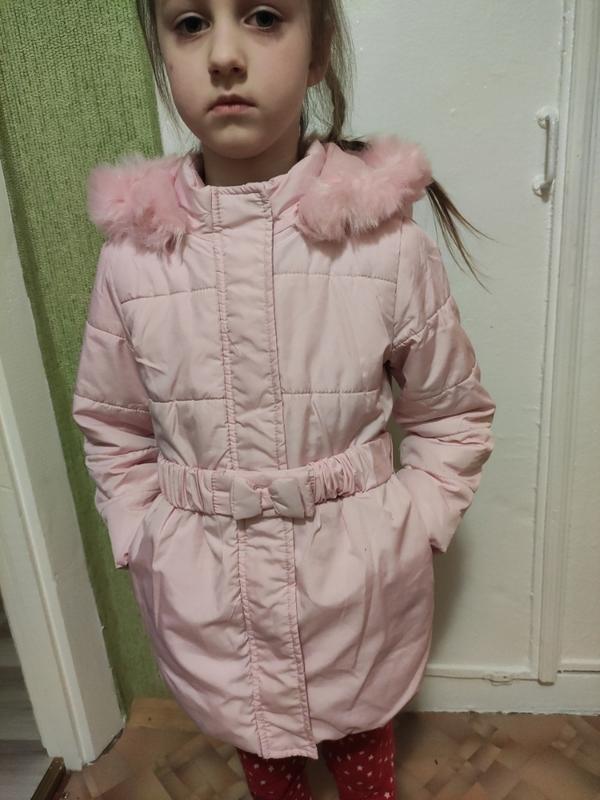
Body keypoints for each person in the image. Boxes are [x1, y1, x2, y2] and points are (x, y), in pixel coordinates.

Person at [71, 1, 497, 798]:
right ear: (161, 48)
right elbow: (112, 423)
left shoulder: (384, 246)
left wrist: (411, 525)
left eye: (264, 16)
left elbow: (450, 412)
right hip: (212, 591)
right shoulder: (134, 261)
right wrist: (143, 531)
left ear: (317, 50)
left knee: (364, 750)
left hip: (356, 588)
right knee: (260, 747)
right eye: (190, 23)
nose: (224, 55)